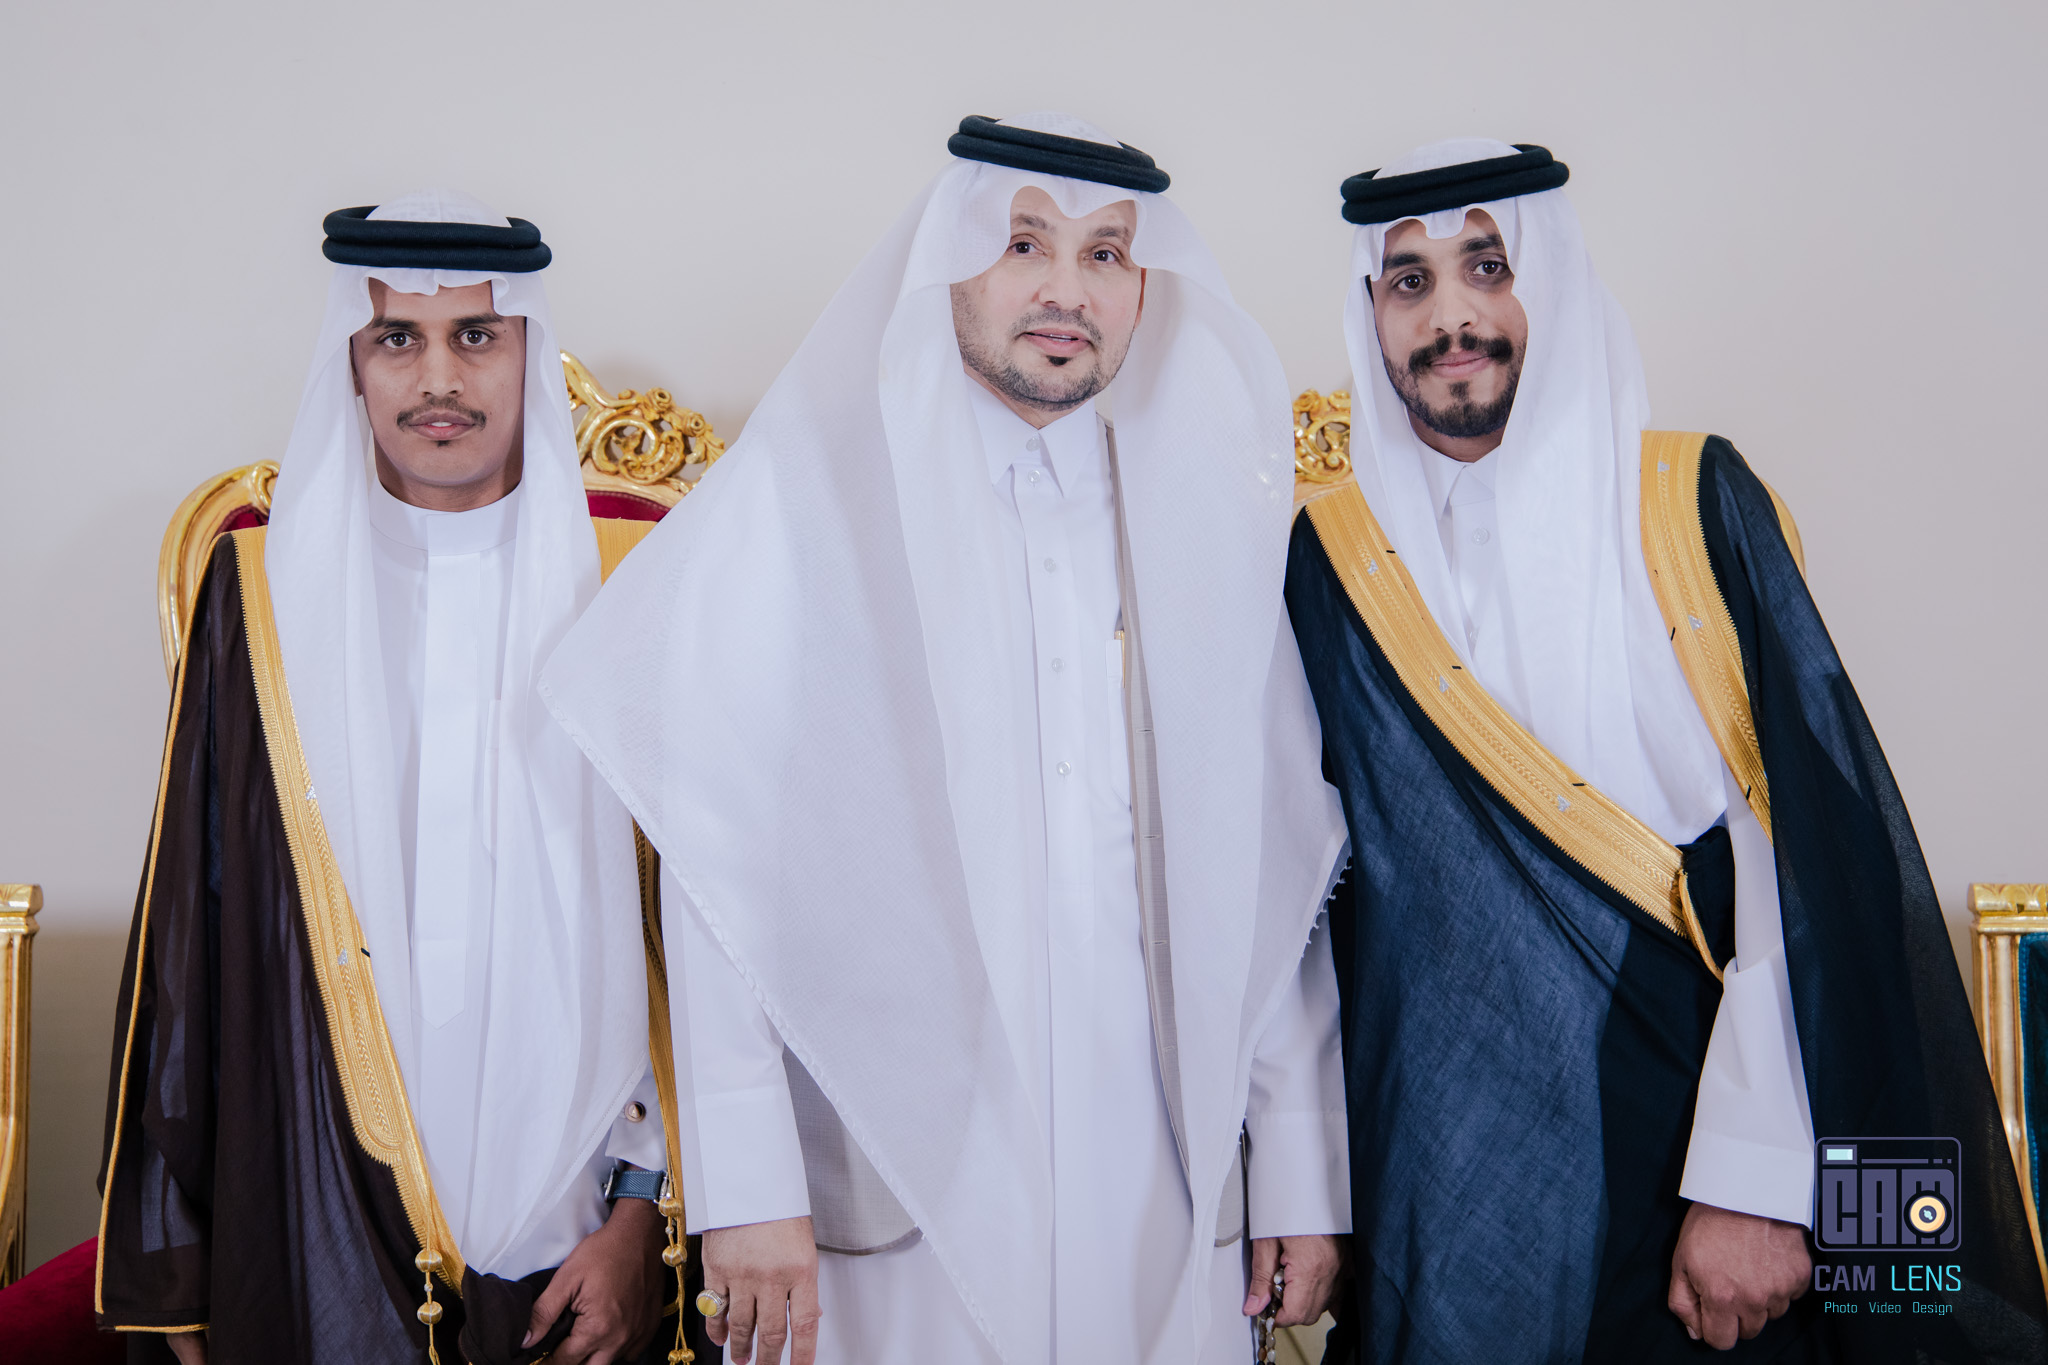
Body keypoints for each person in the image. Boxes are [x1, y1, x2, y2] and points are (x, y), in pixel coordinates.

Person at [541, 113, 1350, 1364]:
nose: (1065, 290)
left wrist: (1295, 1162)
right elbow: (718, 869)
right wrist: (748, 1185)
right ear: (949, 260)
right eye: (1024, 244)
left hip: (1155, 1148)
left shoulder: (1200, 516)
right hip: (898, 1149)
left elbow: (1266, 864)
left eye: (1105, 253)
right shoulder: (804, 505)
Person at [1286, 139, 2048, 1362]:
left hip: (1710, 1163)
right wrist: (1302, 1186)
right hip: (1446, 1163)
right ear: (1370, 312)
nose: (1450, 317)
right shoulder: (1327, 560)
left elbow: (1803, 853)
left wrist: (1761, 1182)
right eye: (1408, 281)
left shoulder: (1691, 502)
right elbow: (1306, 905)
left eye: (1487, 265)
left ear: (1552, 280)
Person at [96, 191, 694, 1365]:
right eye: (395, 339)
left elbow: (702, 929)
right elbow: (193, 929)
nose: (439, 380)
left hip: (587, 1227)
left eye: (476, 335)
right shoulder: (258, 597)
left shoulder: (638, 582)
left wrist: (644, 1212)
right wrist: (184, 1262)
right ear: (352, 364)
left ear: (527, 350)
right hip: (315, 1193)